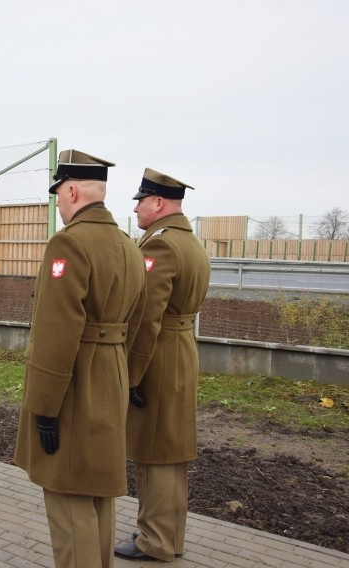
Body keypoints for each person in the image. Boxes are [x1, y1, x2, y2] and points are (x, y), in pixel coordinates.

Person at [14, 149, 146, 568]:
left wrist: (45, 408)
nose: (58, 203)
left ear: (71, 190)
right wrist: (128, 376)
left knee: (69, 498)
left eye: (58, 194)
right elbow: (140, 324)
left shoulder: (68, 243)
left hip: (73, 384)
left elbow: (56, 333)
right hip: (112, 375)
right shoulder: (129, 246)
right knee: (98, 495)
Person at [114, 168, 211, 562]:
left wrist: (132, 375)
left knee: (155, 453)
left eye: (140, 201)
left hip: (158, 357)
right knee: (170, 450)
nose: (135, 209)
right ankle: (167, 535)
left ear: (157, 203)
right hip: (181, 351)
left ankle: (154, 540)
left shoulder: (159, 246)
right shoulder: (189, 242)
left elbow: (145, 316)